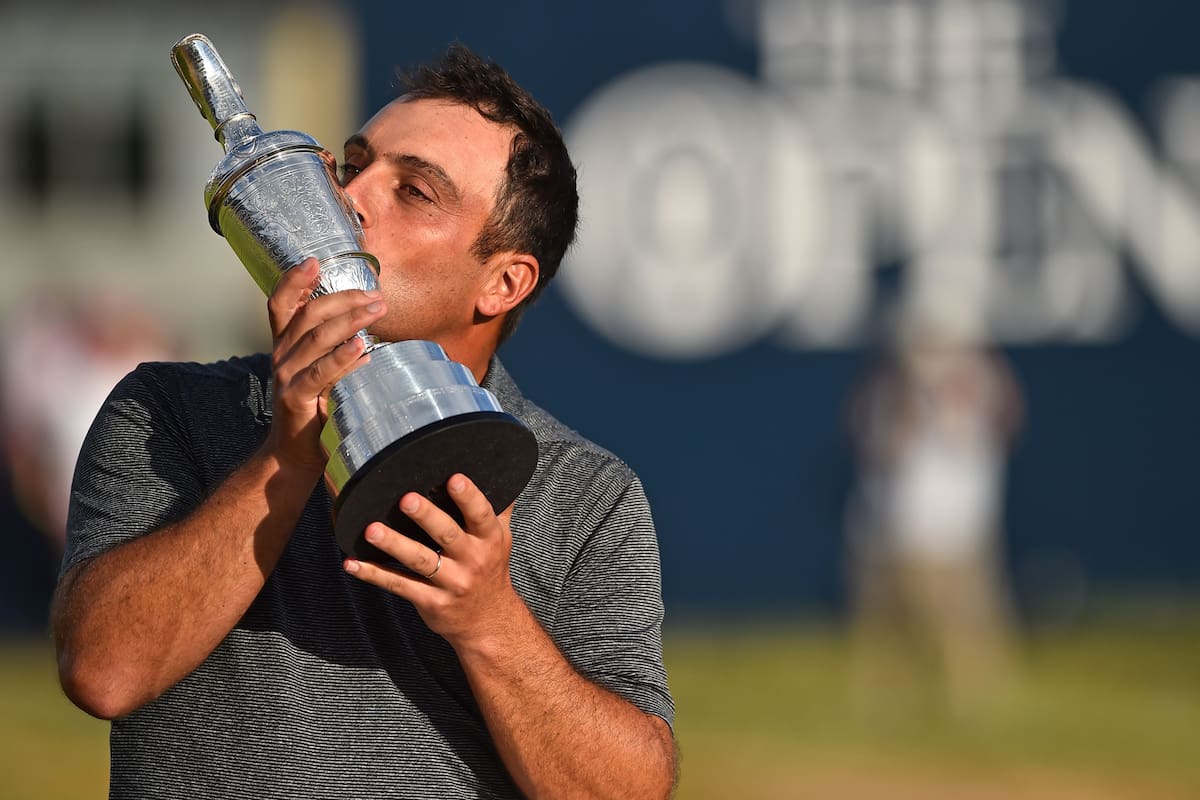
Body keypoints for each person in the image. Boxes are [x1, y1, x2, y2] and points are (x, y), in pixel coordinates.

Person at [51, 45, 677, 799]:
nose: (348, 196)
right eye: (352, 166)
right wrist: (289, 452)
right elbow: (103, 673)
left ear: (503, 282)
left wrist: (489, 622)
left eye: (413, 191)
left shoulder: (585, 493)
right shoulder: (166, 410)